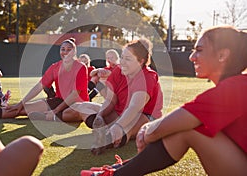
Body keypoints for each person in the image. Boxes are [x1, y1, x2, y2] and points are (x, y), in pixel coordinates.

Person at [81, 26, 247, 176]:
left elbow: (176, 120)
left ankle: (117, 173)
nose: (191, 57)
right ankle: (118, 171)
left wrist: (147, 131)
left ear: (222, 55)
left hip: (139, 117)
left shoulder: (236, 88)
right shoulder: (237, 85)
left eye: (199, 50)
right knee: (182, 127)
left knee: (188, 129)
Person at [72, 39, 163, 155]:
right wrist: (100, 115)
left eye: (128, 59)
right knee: (83, 107)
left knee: (128, 123)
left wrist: (118, 126)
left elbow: (135, 108)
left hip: (144, 117)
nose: (123, 62)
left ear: (140, 61)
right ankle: (105, 131)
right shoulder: (118, 71)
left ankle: (108, 138)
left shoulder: (147, 77)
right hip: (120, 113)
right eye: (122, 57)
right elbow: (111, 100)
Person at [2, 38, 89, 121]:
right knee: (21, 109)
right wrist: (20, 103)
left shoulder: (81, 67)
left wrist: (56, 110)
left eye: (69, 49)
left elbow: (75, 94)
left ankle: (47, 117)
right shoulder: (55, 67)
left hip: (77, 103)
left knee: (73, 112)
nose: (65, 52)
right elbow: (39, 86)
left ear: (74, 52)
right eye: (63, 49)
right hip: (59, 101)